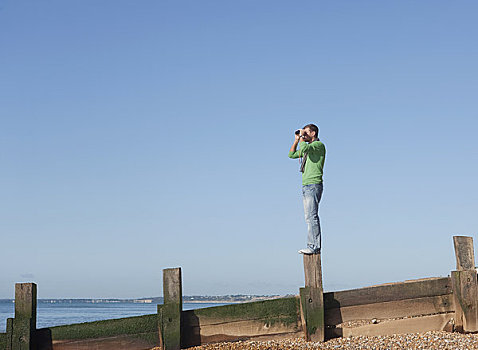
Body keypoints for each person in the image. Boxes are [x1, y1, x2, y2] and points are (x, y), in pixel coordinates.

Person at [288, 124, 326, 255]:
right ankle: (312, 245)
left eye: (306, 132)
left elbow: (305, 147)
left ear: (313, 133)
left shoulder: (318, 146)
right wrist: (296, 140)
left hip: (314, 184)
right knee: (308, 217)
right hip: (306, 185)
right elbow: (291, 154)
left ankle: (314, 246)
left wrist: (302, 139)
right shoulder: (307, 148)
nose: (304, 134)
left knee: (312, 216)